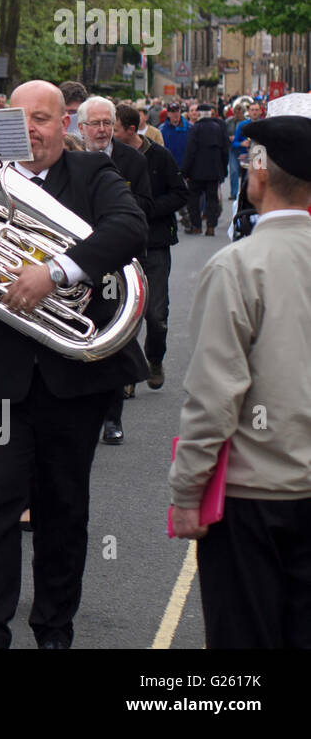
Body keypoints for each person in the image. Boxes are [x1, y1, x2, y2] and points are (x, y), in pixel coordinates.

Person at [0, 81, 146, 648]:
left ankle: (54, 629)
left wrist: (55, 272)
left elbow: (130, 228)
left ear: (65, 124)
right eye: (22, 119)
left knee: (64, 510)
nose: (33, 129)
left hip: (70, 377)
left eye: (44, 118)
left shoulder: (91, 177)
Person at [168, 115, 311, 648]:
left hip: (253, 495)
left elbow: (214, 394)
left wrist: (187, 491)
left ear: (259, 176)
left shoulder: (238, 266)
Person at [76, 96, 152, 444]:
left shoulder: (132, 160)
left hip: (116, 265)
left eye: (108, 123)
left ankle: (112, 418)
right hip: (76, 262)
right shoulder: (70, 160)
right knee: (81, 334)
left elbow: (147, 207)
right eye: (96, 124)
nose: (103, 130)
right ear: (81, 128)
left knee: (114, 337)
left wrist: (117, 213)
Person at [113, 104, 187, 394]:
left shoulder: (160, 156)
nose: (110, 133)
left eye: (115, 128)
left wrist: (148, 210)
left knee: (156, 315)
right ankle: (128, 375)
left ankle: (154, 359)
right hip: (122, 245)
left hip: (155, 243)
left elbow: (180, 193)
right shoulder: (110, 158)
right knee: (124, 313)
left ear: (131, 130)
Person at [181, 102, 228, 235]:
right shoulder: (218, 128)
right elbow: (225, 150)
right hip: (214, 170)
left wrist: (185, 171)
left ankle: (196, 226)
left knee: (194, 199)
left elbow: (190, 152)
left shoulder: (195, 129)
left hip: (196, 171)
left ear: (200, 114)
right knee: (212, 199)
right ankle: (211, 226)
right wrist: (224, 169)